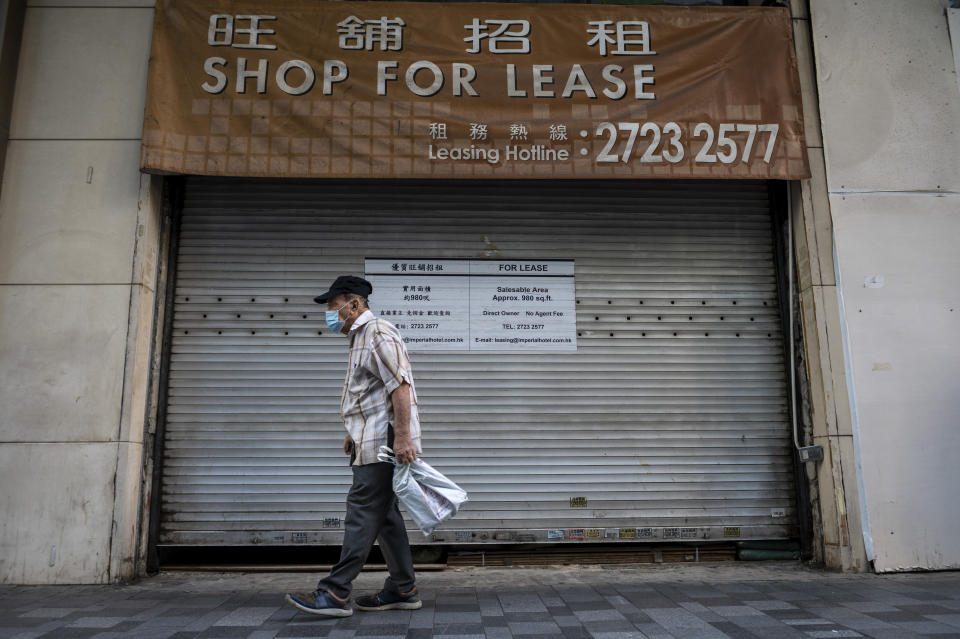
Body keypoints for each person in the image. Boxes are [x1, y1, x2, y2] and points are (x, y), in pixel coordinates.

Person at [285, 275, 423, 617]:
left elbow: (400, 387)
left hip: (385, 442)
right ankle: (403, 589)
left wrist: (403, 437)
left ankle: (335, 592)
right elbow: (372, 394)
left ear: (355, 304)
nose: (331, 315)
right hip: (372, 437)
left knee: (362, 511)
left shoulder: (377, 332)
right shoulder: (360, 337)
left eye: (334, 307)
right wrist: (354, 430)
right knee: (385, 516)